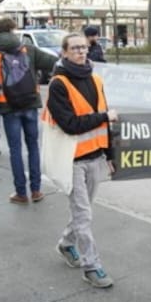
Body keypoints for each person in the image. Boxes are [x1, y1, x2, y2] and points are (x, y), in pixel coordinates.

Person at [44, 33, 118, 288]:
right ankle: (92, 267)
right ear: (64, 52)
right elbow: (70, 125)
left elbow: (105, 123)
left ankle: (66, 244)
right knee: (84, 215)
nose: (81, 52)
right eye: (75, 48)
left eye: (84, 48)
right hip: (72, 161)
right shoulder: (58, 84)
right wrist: (104, 117)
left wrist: (110, 156)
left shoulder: (96, 79)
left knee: (81, 213)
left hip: (95, 157)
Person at [0, 17, 59, 204]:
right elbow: (55, 63)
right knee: (33, 146)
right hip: (31, 104)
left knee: (15, 150)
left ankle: (21, 193)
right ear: (12, 30)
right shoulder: (28, 50)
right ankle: (36, 191)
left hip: (9, 108)